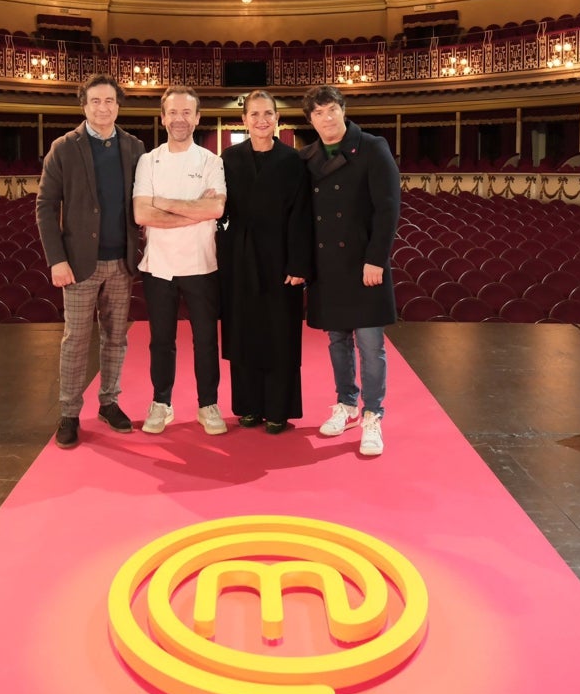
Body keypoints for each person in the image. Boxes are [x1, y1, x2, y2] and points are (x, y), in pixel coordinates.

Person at [36, 73, 145, 448]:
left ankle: (109, 402)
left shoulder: (134, 147)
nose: (103, 107)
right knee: (76, 340)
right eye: (96, 101)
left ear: (118, 105)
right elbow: (45, 207)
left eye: (110, 101)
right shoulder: (64, 147)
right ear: (84, 105)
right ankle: (68, 412)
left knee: (116, 339)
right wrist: (56, 260)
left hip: (122, 262)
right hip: (79, 263)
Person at [300, 85, 400, 456]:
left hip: (365, 265)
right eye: (318, 114)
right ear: (310, 120)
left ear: (343, 109)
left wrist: (376, 258)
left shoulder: (373, 147)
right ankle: (345, 403)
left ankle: (373, 414)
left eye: (331, 110)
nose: (327, 119)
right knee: (337, 341)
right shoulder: (307, 156)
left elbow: (388, 208)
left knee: (370, 345)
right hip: (328, 267)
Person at [133, 85, 227, 435]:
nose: (179, 118)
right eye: (173, 112)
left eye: (187, 112)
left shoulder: (211, 161)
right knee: (161, 340)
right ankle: (162, 402)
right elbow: (142, 213)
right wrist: (193, 211)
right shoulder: (148, 160)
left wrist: (163, 202)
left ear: (198, 117)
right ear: (162, 118)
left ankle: (208, 404)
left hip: (202, 265)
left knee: (205, 339)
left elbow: (216, 208)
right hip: (158, 266)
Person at [218, 90, 312, 434]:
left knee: (279, 336)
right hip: (238, 260)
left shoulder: (292, 160)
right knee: (243, 333)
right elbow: (219, 208)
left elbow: (302, 216)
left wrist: (298, 265)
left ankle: (278, 410)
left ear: (277, 119)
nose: (261, 120)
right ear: (243, 120)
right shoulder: (228, 159)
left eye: (267, 114)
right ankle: (248, 406)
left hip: (280, 260)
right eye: (254, 114)